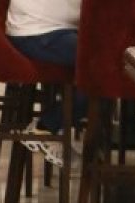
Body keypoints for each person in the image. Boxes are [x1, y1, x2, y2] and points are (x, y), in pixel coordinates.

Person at [7, 0, 85, 166]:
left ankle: (51, 126)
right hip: (38, 31)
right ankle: (45, 127)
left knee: (105, 63)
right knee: (102, 66)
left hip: (51, 28)